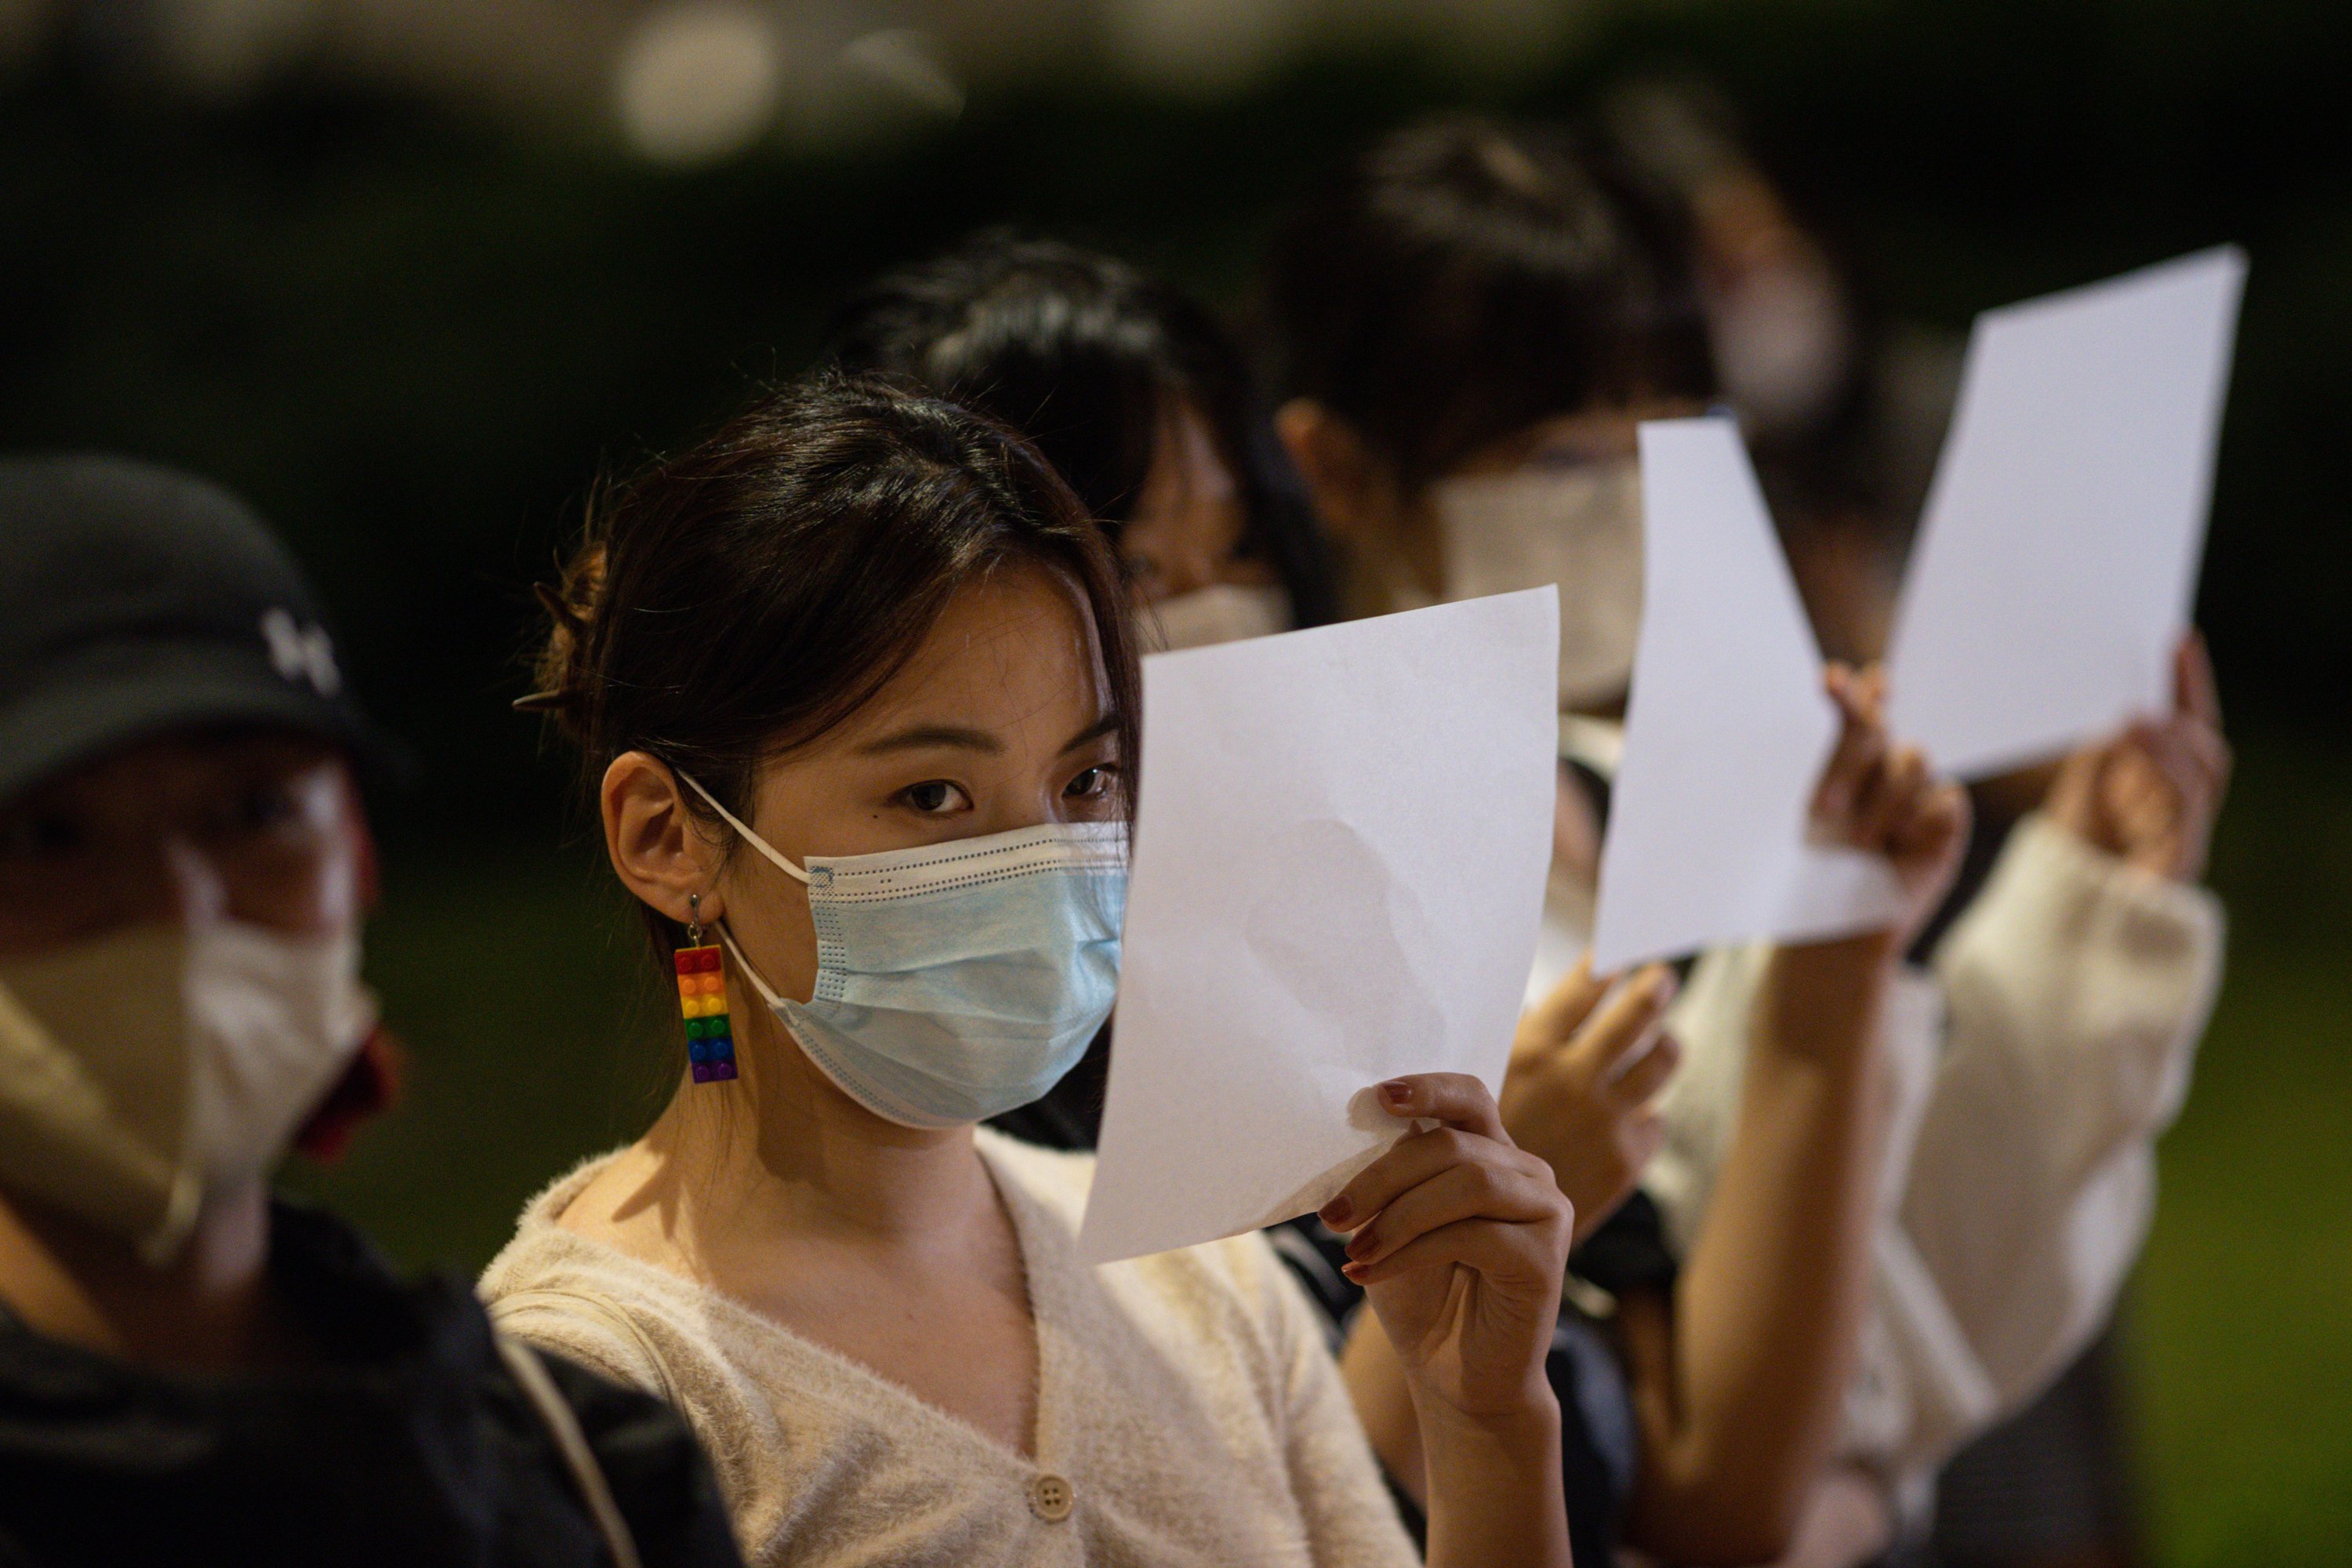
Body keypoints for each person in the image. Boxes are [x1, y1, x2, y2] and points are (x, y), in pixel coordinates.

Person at [1264, 114, 2229, 1564]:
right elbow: (1717, 1489)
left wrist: (2084, 897)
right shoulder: (1309, 864)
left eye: (1676, 435)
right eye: (1559, 450)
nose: (1640, 503)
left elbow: (1906, 1296)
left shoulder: (1664, 780)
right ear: (1337, 470)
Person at [482, 372, 1581, 1566]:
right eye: (933, 795)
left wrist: (1487, 1425)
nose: (1040, 866)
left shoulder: (1205, 1284)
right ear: (667, 836)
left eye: (1084, 784)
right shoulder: (587, 1388)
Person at [0, 456, 742, 1568]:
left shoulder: (585, 1473)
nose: (180, 908)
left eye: (254, 811)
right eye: (52, 836)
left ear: (355, 859)